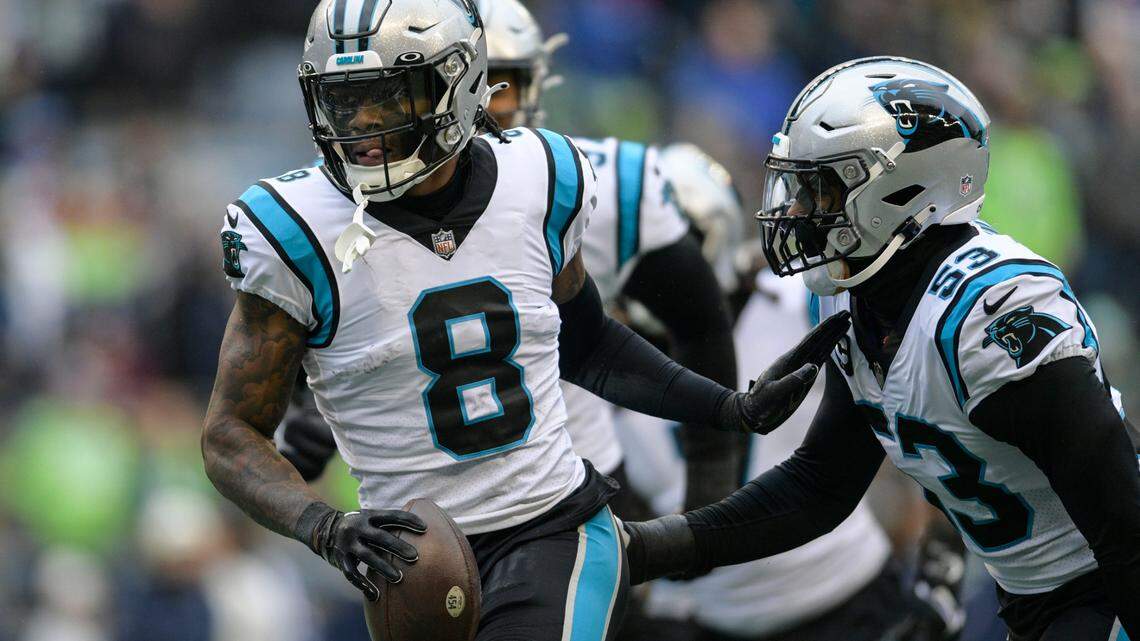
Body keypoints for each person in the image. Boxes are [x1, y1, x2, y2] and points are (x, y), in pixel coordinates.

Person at [199, 3, 848, 641]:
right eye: (346, 101)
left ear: (457, 85)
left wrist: (725, 408)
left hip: (556, 525)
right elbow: (230, 433)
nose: (363, 126)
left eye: (389, 98)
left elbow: (588, 344)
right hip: (411, 561)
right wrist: (324, 525)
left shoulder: (539, 175)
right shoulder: (289, 228)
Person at [623, 57, 1139, 641]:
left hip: (1108, 576)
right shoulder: (857, 296)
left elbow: (1123, 516)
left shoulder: (990, 313)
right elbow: (820, 485)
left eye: (819, 188)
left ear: (901, 188)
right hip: (1034, 595)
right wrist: (646, 547)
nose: (794, 211)